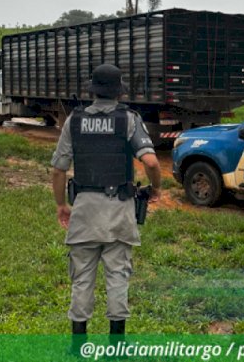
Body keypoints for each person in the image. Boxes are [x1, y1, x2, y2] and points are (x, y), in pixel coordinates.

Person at [50, 64, 161, 353]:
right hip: (119, 214)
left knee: (82, 280)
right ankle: (117, 348)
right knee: (117, 278)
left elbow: (58, 169)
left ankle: (78, 347)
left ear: (93, 90)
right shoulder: (129, 120)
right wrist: (157, 189)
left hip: (84, 212)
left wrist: (62, 205)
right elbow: (150, 162)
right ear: (119, 91)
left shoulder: (74, 121)